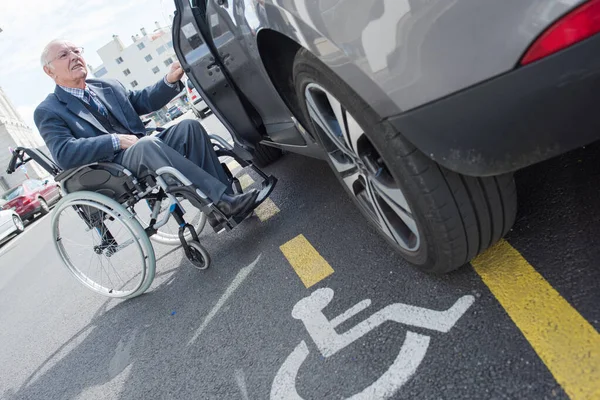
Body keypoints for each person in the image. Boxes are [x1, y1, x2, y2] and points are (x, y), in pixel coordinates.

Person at [34, 39, 259, 219]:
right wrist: (115, 140)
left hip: (143, 146)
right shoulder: (49, 110)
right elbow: (64, 153)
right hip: (111, 167)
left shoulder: (108, 86)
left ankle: (226, 204)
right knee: (146, 144)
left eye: (76, 51)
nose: (74, 57)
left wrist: (169, 80)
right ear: (49, 71)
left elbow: (142, 101)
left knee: (189, 127)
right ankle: (220, 203)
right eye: (64, 55)